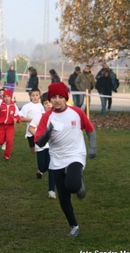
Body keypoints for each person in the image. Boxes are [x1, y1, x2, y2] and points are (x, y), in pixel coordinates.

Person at [35, 82, 96, 237]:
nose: (57, 100)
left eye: (60, 97)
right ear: (49, 99)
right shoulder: (47, 117)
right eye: (53, 97)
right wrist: (47, 134)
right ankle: (74, 226)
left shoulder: (76, 112)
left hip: (76, 154)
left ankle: (78, 183)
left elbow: (90, 129)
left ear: (65, 98)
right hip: (56, 159)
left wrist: (92, 148)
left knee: (72, 184)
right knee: (63, 197)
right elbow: (39, 142)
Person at [28, 92, 56, 199]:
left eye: (49, 103)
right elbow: (31, 128)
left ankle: (51, 190)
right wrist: (39, 137)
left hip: (53, 146)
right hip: (41, 146)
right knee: (42, 166)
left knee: (52, 167)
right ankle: (40, 171)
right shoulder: (39, 116)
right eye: (45, 103)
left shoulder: (57, 116)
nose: (48, 105)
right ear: (42, 104)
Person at [0, 89, 21, 160]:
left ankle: (7, 155)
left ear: (11, 97)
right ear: (3, 97)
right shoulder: (1, 105)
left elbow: (17, 116)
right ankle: (3, 141)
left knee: (10, 141)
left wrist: (16, 119)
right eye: (5, 96)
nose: (7, 98)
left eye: (8, 96)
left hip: (10, 126)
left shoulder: (14, 106)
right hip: (1, 126)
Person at [19, 88, 45, 155]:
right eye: (33, 95)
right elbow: (21, 118)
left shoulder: (42, 105)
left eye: (37, 95)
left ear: (39, 96)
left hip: (41, 130)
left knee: (41, 146)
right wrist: (33, 119)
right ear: (30, 96)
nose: (35, 97)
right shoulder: (27, 106)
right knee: (33, 149)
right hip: (30, 131)